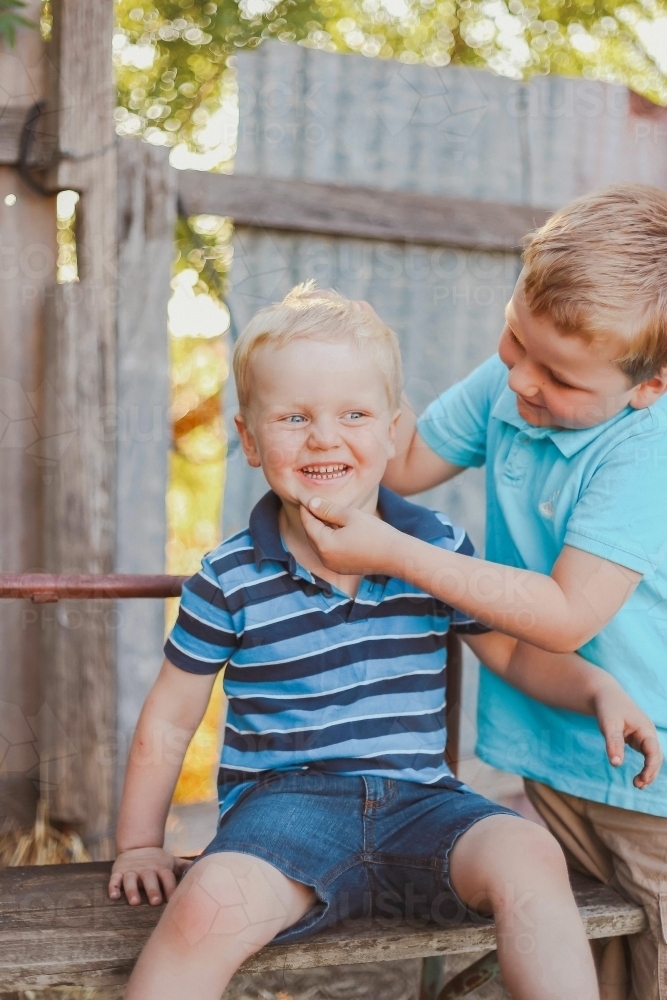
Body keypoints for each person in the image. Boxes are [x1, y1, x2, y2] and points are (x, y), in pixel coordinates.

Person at [109, 284, 659, 1000]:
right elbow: (170, 717)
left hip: (424, 804)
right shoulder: (231, 576)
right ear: (247, 438)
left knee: (527, 850)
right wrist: (139, 842)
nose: (324, 437)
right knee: (208, 902)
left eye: (354, 415)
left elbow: (517, 653)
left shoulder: (433, 552)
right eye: (294, 417)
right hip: (283, 813)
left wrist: (596, 687)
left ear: (393, 431)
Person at [299, 185, 667, 1000]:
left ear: (650, 384)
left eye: (559, 376)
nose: (524, 382)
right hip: (554, 753)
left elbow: (567, 617)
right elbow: (400, 465)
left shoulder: (645, 452)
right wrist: (355, 369)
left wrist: (398, 552)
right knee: (587, 965)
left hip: (654, 783)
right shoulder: (513, 384)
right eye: (513, 339)